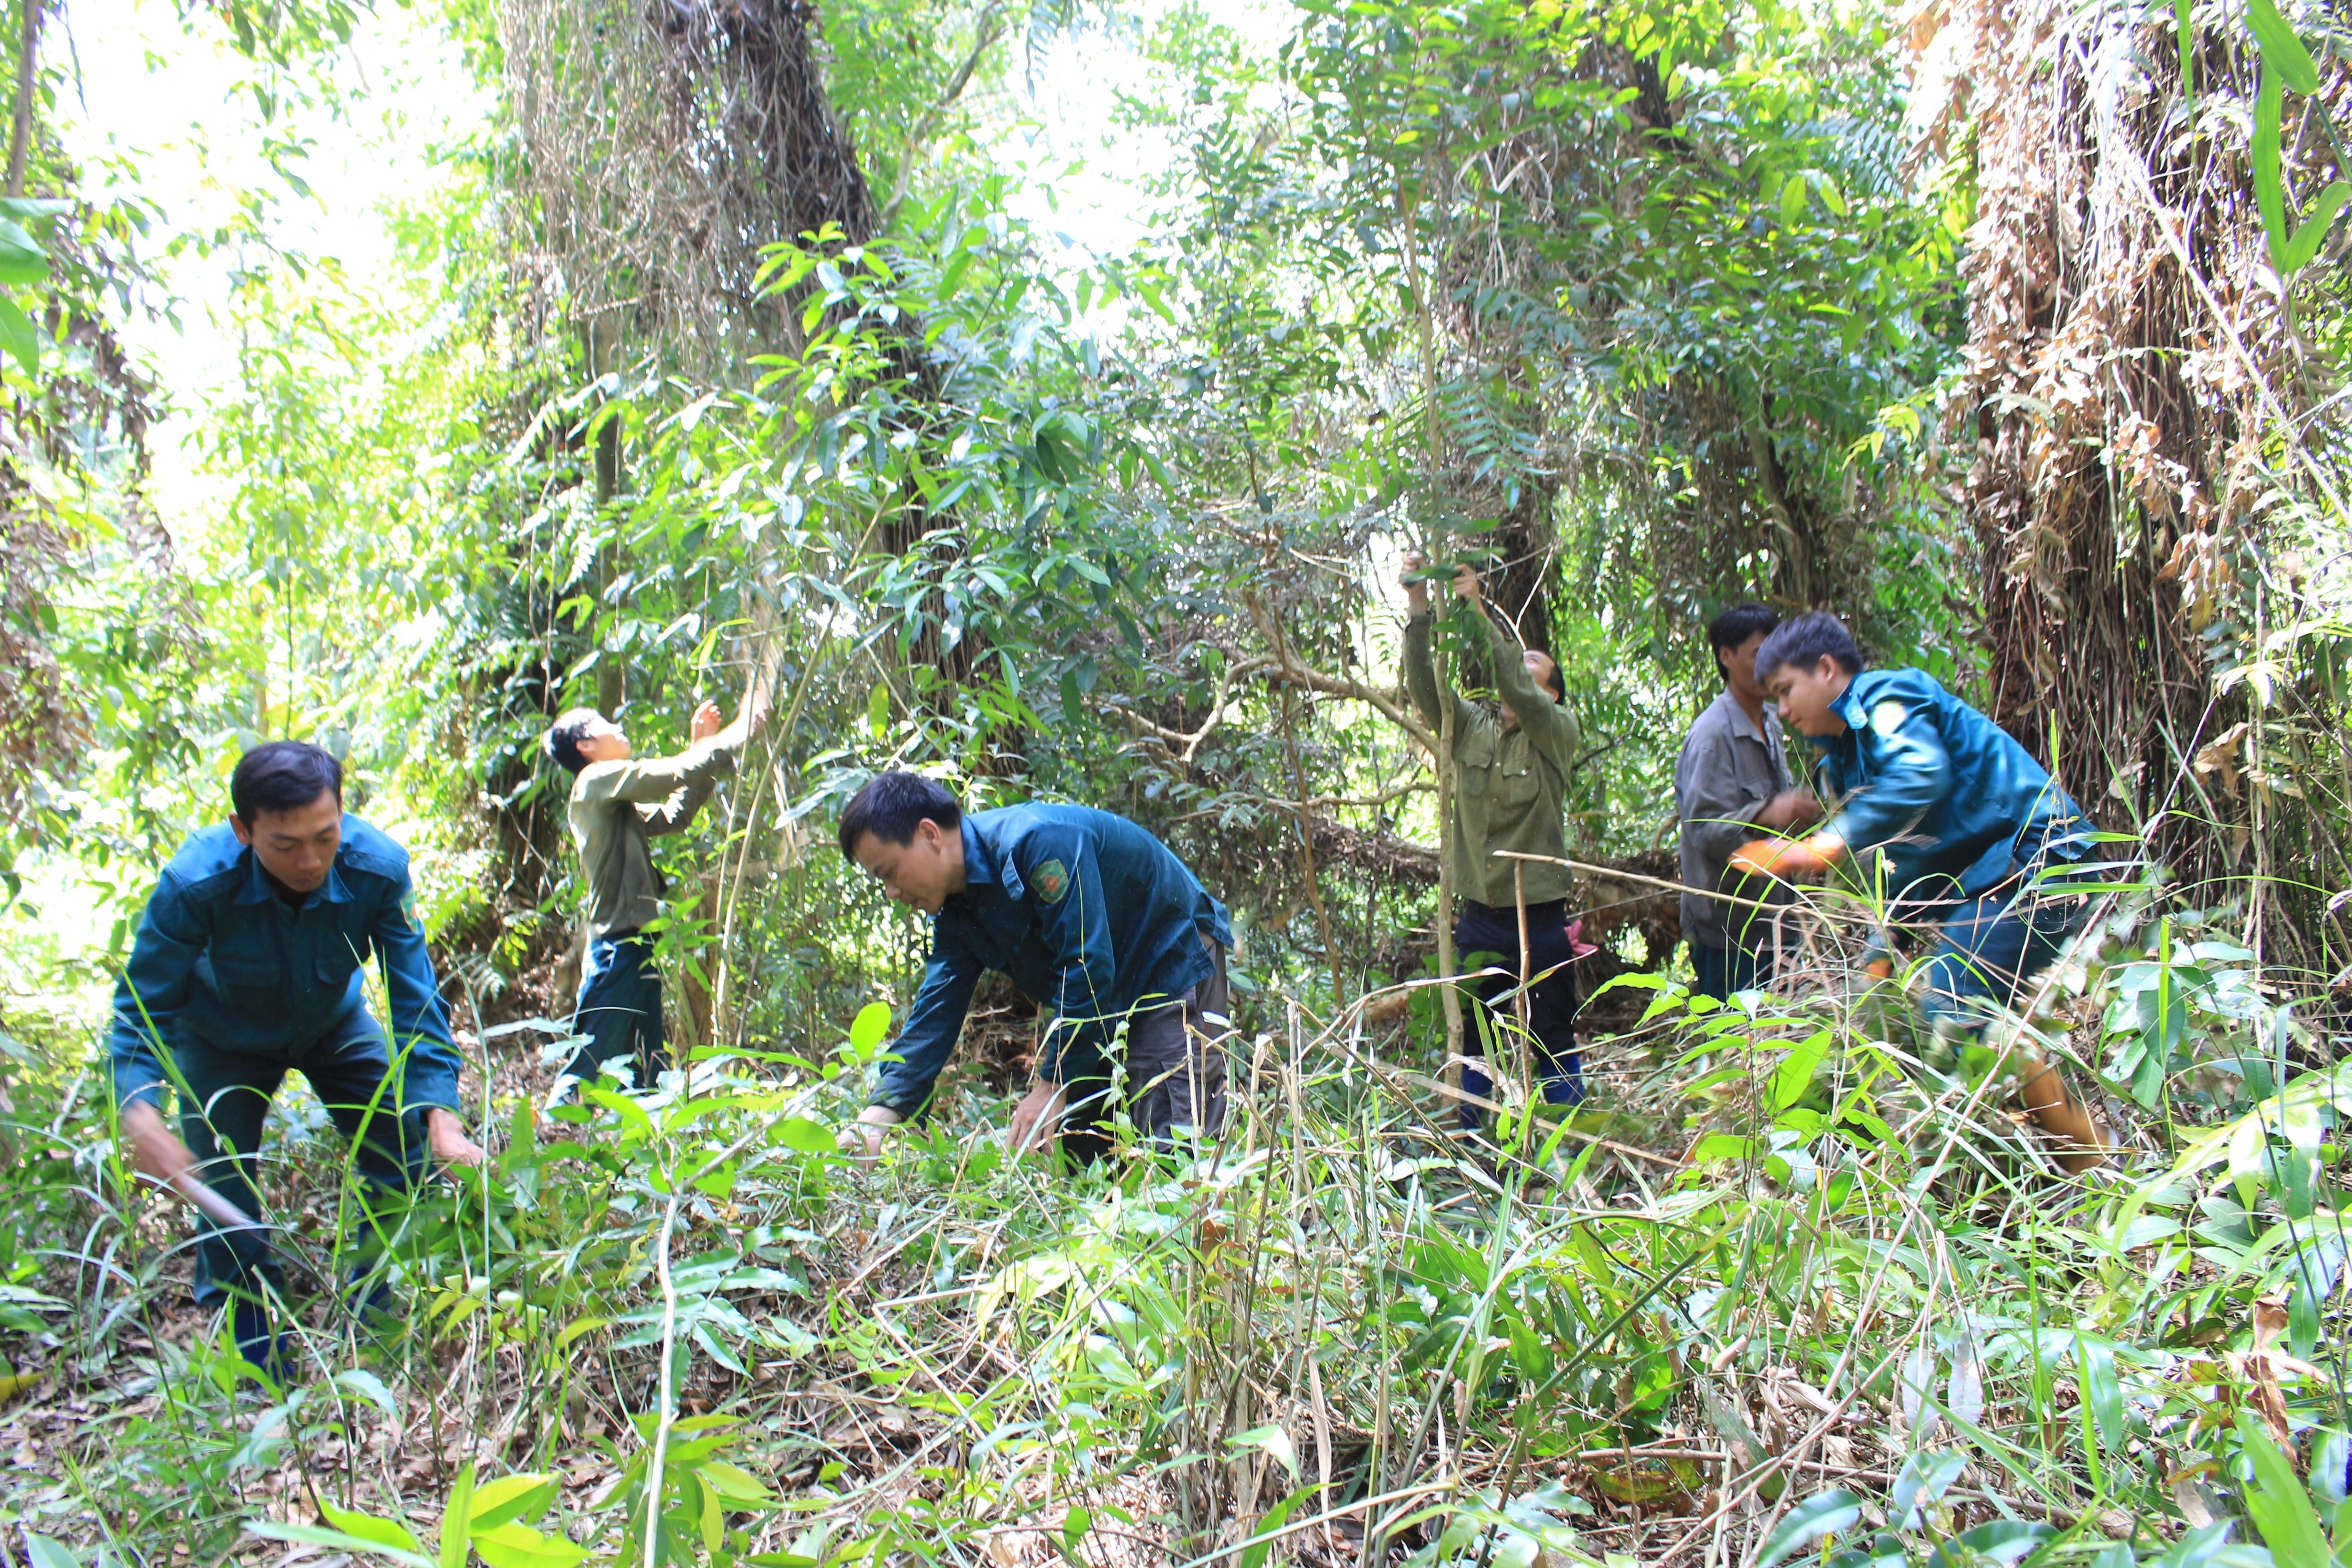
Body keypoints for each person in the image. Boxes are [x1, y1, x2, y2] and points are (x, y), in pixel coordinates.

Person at [107, 741, 483, 1375]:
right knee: (223, 1184)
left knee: (403, 1148)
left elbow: (416, 997)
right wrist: (141, 1112)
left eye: (325, 836)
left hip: (332, 1025)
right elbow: (141, 1008)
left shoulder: (377, 869)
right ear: (243, 830)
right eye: (285, 845)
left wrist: (440, 1112)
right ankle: (258, 1348)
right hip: (220, 1041)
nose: (310, 860)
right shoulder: (195, 884)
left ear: (341, 815)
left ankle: (376, 1313)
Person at [1735, 611, 2103, 1164]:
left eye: (1786, 692)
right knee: (1932, 1016)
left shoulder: (1889, 699)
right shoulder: (1843, 766)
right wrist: (1881, 958)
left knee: (1953, 1001)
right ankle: (2037, 1156)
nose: (1783, 712)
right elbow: (1906, 865)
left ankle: (2091, 1164)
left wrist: (1817, 848)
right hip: (1992, 885)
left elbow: (1920, 776)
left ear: (1828, 669)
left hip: (2042, 862)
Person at [837, 772, 1234, 1163]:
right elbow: (935, 1013)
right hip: (1102, 1004)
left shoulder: (1038, 843)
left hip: (1169, 962)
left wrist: (1054, 1081)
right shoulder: (956, 914)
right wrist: (879, 1115)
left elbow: (1086, 961)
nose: (890, 892)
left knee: (1175, 1149)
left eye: (888, 873)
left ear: (930, 834)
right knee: (1087, 1150)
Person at [1398, 549, 1584, 1128]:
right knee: (1478, 1040)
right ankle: (1476, 1146)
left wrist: (1477, 611)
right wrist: (1420, 605)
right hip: (1480, 916)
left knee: (1552, 1034)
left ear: (1549, 696)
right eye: (1515, 666)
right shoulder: (1471, 727)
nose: (1516, 679)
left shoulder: (1556, 733)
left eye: (1532, 672)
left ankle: (1568, 1145)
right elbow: (1423, 686)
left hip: (1541, 916)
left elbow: (1515, 683)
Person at [544, 683, 761, 1088]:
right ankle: (546, 1136)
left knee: (647, 1068)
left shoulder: (613, 799)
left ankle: (651, 1139)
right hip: (617, 946)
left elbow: (675, 814)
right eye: (606, 723)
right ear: (587, 745)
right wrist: (734, 733)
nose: (618, 727)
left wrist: (701, 745)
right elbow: (670, 774)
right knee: (586, 1064)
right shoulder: (595, 781)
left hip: (637, 942)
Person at [1674, 603, 1819, 998]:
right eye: (1758, 654)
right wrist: (1769, 813)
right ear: (1726, 656)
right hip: (1729, 932)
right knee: (1736, 1045)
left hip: (1776, 922)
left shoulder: (1772, 721)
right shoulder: (1712, 736)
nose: (1770, 665)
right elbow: (1703, 828)